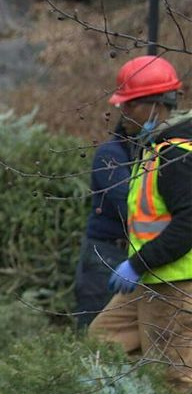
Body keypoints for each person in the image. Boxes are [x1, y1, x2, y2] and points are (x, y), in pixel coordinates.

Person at [90, 55, 192, 394]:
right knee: (102, 343)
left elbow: (189, 223)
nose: (123, 115)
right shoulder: (153, 151)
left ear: (152, 106)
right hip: (152, 279)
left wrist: (136, 263)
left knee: (174, 382)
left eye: (128, 106)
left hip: (173, 284)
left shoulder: (175, 155)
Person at [74, 119, 132, 327]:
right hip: (106, 253)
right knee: (96, 324)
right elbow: (126, 205)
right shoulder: (111, 155)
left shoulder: (151, 156)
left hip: (134, 254)